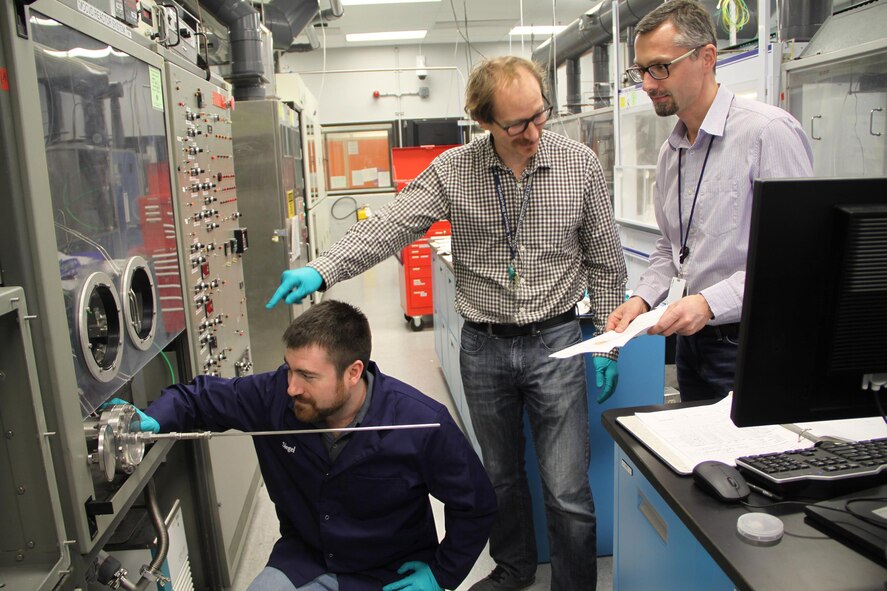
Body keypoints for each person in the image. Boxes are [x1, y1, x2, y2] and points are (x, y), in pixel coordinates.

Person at [267, 57, 626, 590]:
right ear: (485, 122)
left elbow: (605, 259)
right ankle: (513, 569)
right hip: (483, 348)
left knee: (567, 489)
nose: (533, 132)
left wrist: (609, 340)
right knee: (499, 477)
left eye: (539, 116)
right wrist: (322, 268)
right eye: (517, 124)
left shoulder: (578, 164)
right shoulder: (454, 170)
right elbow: (389, 227)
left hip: (556, 340)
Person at [122, 300, 496, 591]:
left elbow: (476, 504)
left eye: (307, 375)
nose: (291, 387)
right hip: (304, 559)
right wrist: (153, 418)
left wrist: (441, 573)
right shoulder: (275, 397)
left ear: (353, 372)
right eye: (289, 369)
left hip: (390, 572)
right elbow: (197, 398)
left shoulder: (419, 421)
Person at [606, 0, 813, 402]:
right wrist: (642, 298)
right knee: (701, 465)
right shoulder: (672, 152)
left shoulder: (767, 134)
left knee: (750, 462)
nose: (647, 84)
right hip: (693, 346)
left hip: (751, 344)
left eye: (660, 67)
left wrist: (709, 302)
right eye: (641, 71)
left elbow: (795, 258)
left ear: (706, 57)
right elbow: (671, 247)